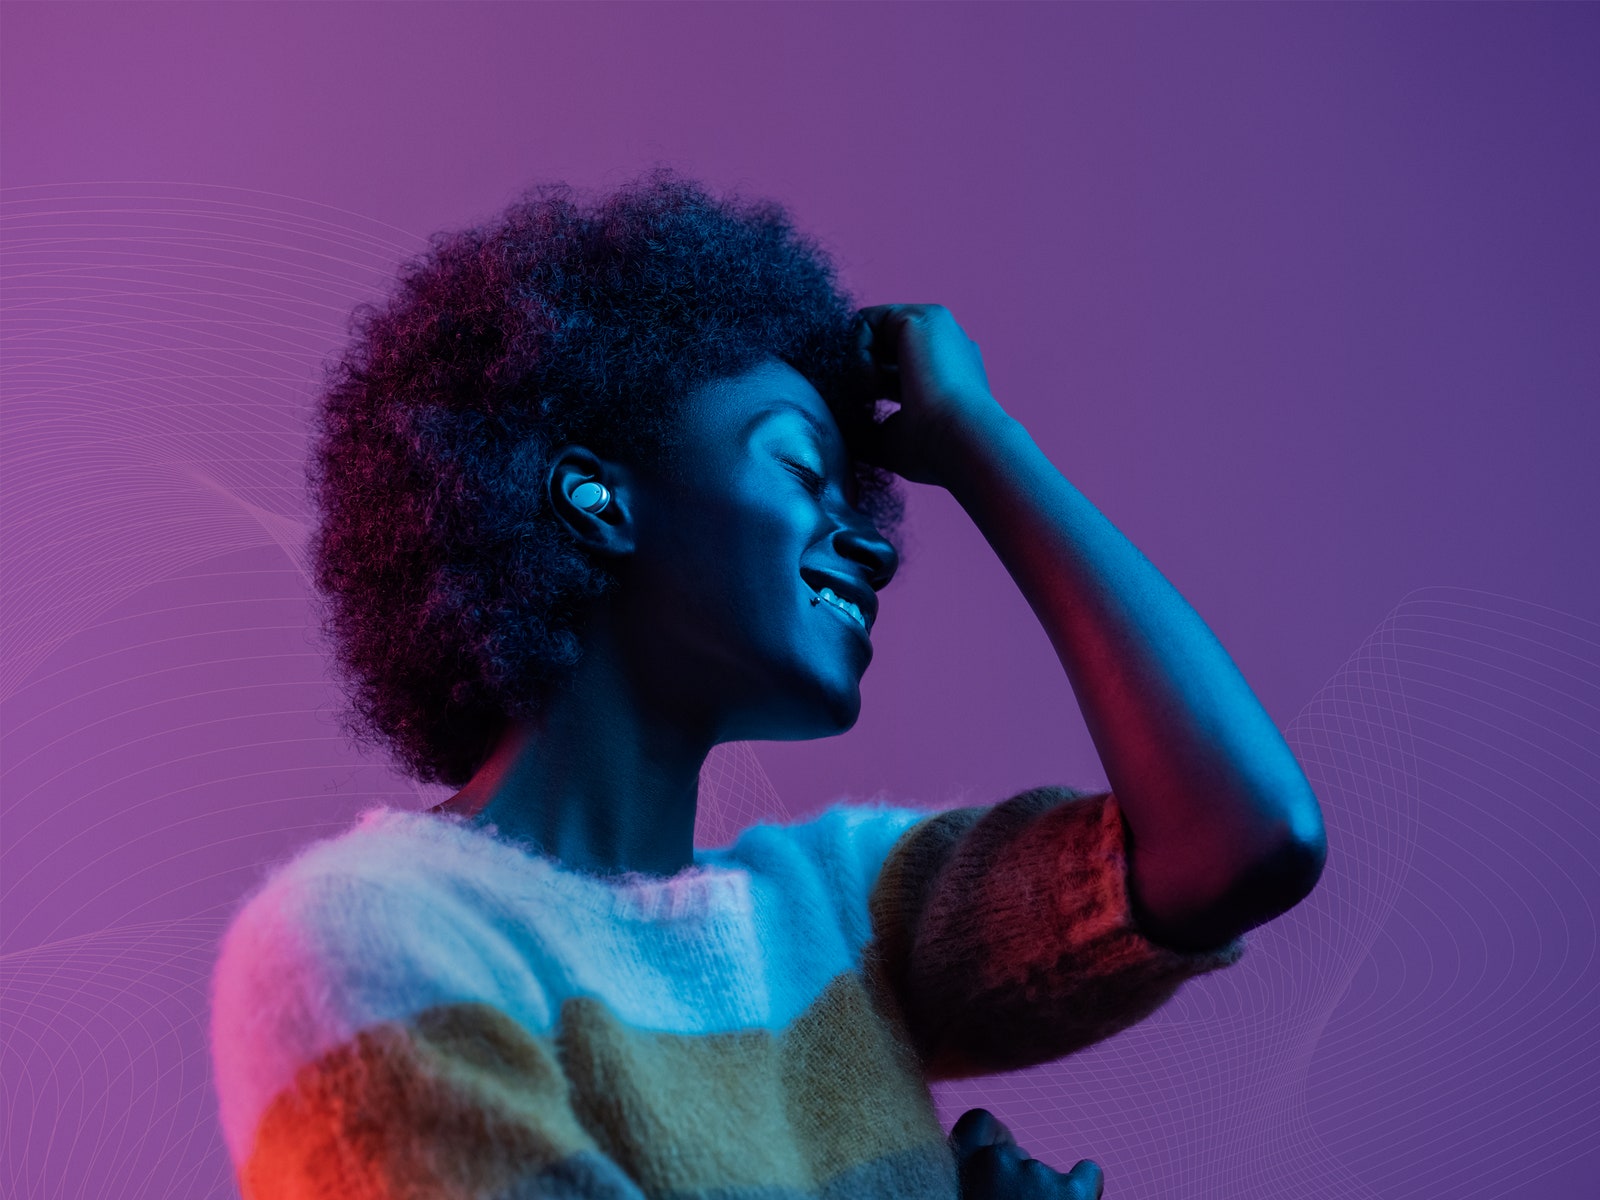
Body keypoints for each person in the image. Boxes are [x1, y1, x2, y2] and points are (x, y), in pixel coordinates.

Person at [209, 167, 1327, 1199]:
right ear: (598, 502)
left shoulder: (841, 908)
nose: (878, 547)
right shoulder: (367, 932)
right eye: (799, 467)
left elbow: (1240, 839)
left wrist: (982, 441)